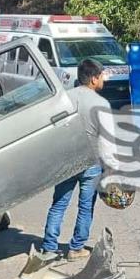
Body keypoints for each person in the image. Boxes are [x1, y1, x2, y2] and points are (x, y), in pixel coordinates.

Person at [41, 58, 110, 261]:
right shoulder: (101, 104)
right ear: (94, 79)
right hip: (91, 164)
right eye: (103, 75)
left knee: (58, 205)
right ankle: (76, 248)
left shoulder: (64, 99)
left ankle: (49, 249)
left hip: (66, 162)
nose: (104, 79)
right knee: (86, 206)